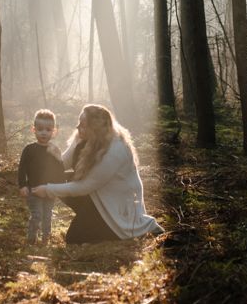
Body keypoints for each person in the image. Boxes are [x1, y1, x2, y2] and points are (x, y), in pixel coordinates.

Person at [30, 104, 163, 243]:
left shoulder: (116, 149)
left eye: (83, 125)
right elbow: (62, 164)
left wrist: (47, 190)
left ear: (95, 129)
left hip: (114, 211)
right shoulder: (83, 138)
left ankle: (135, 227)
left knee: (73, 239)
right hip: (97, 196)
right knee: (57, 178)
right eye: (78, 122)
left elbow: (84, 186)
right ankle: (86, 216)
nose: (77, 127)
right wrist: (37, 168)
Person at [16, 109, 66, 246]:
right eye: (40, 129)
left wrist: (59, 187)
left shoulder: (54, 150)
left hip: (49, 191)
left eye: (48, 129)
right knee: (37, 214)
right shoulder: (29, 149)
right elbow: (22, 169)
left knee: (47, 216)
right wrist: (23, 186)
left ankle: (46, 240)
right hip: (33, 190)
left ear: (54, 131)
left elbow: (60, 173)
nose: (44, 132)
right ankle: (31, 239)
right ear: (34, 129)